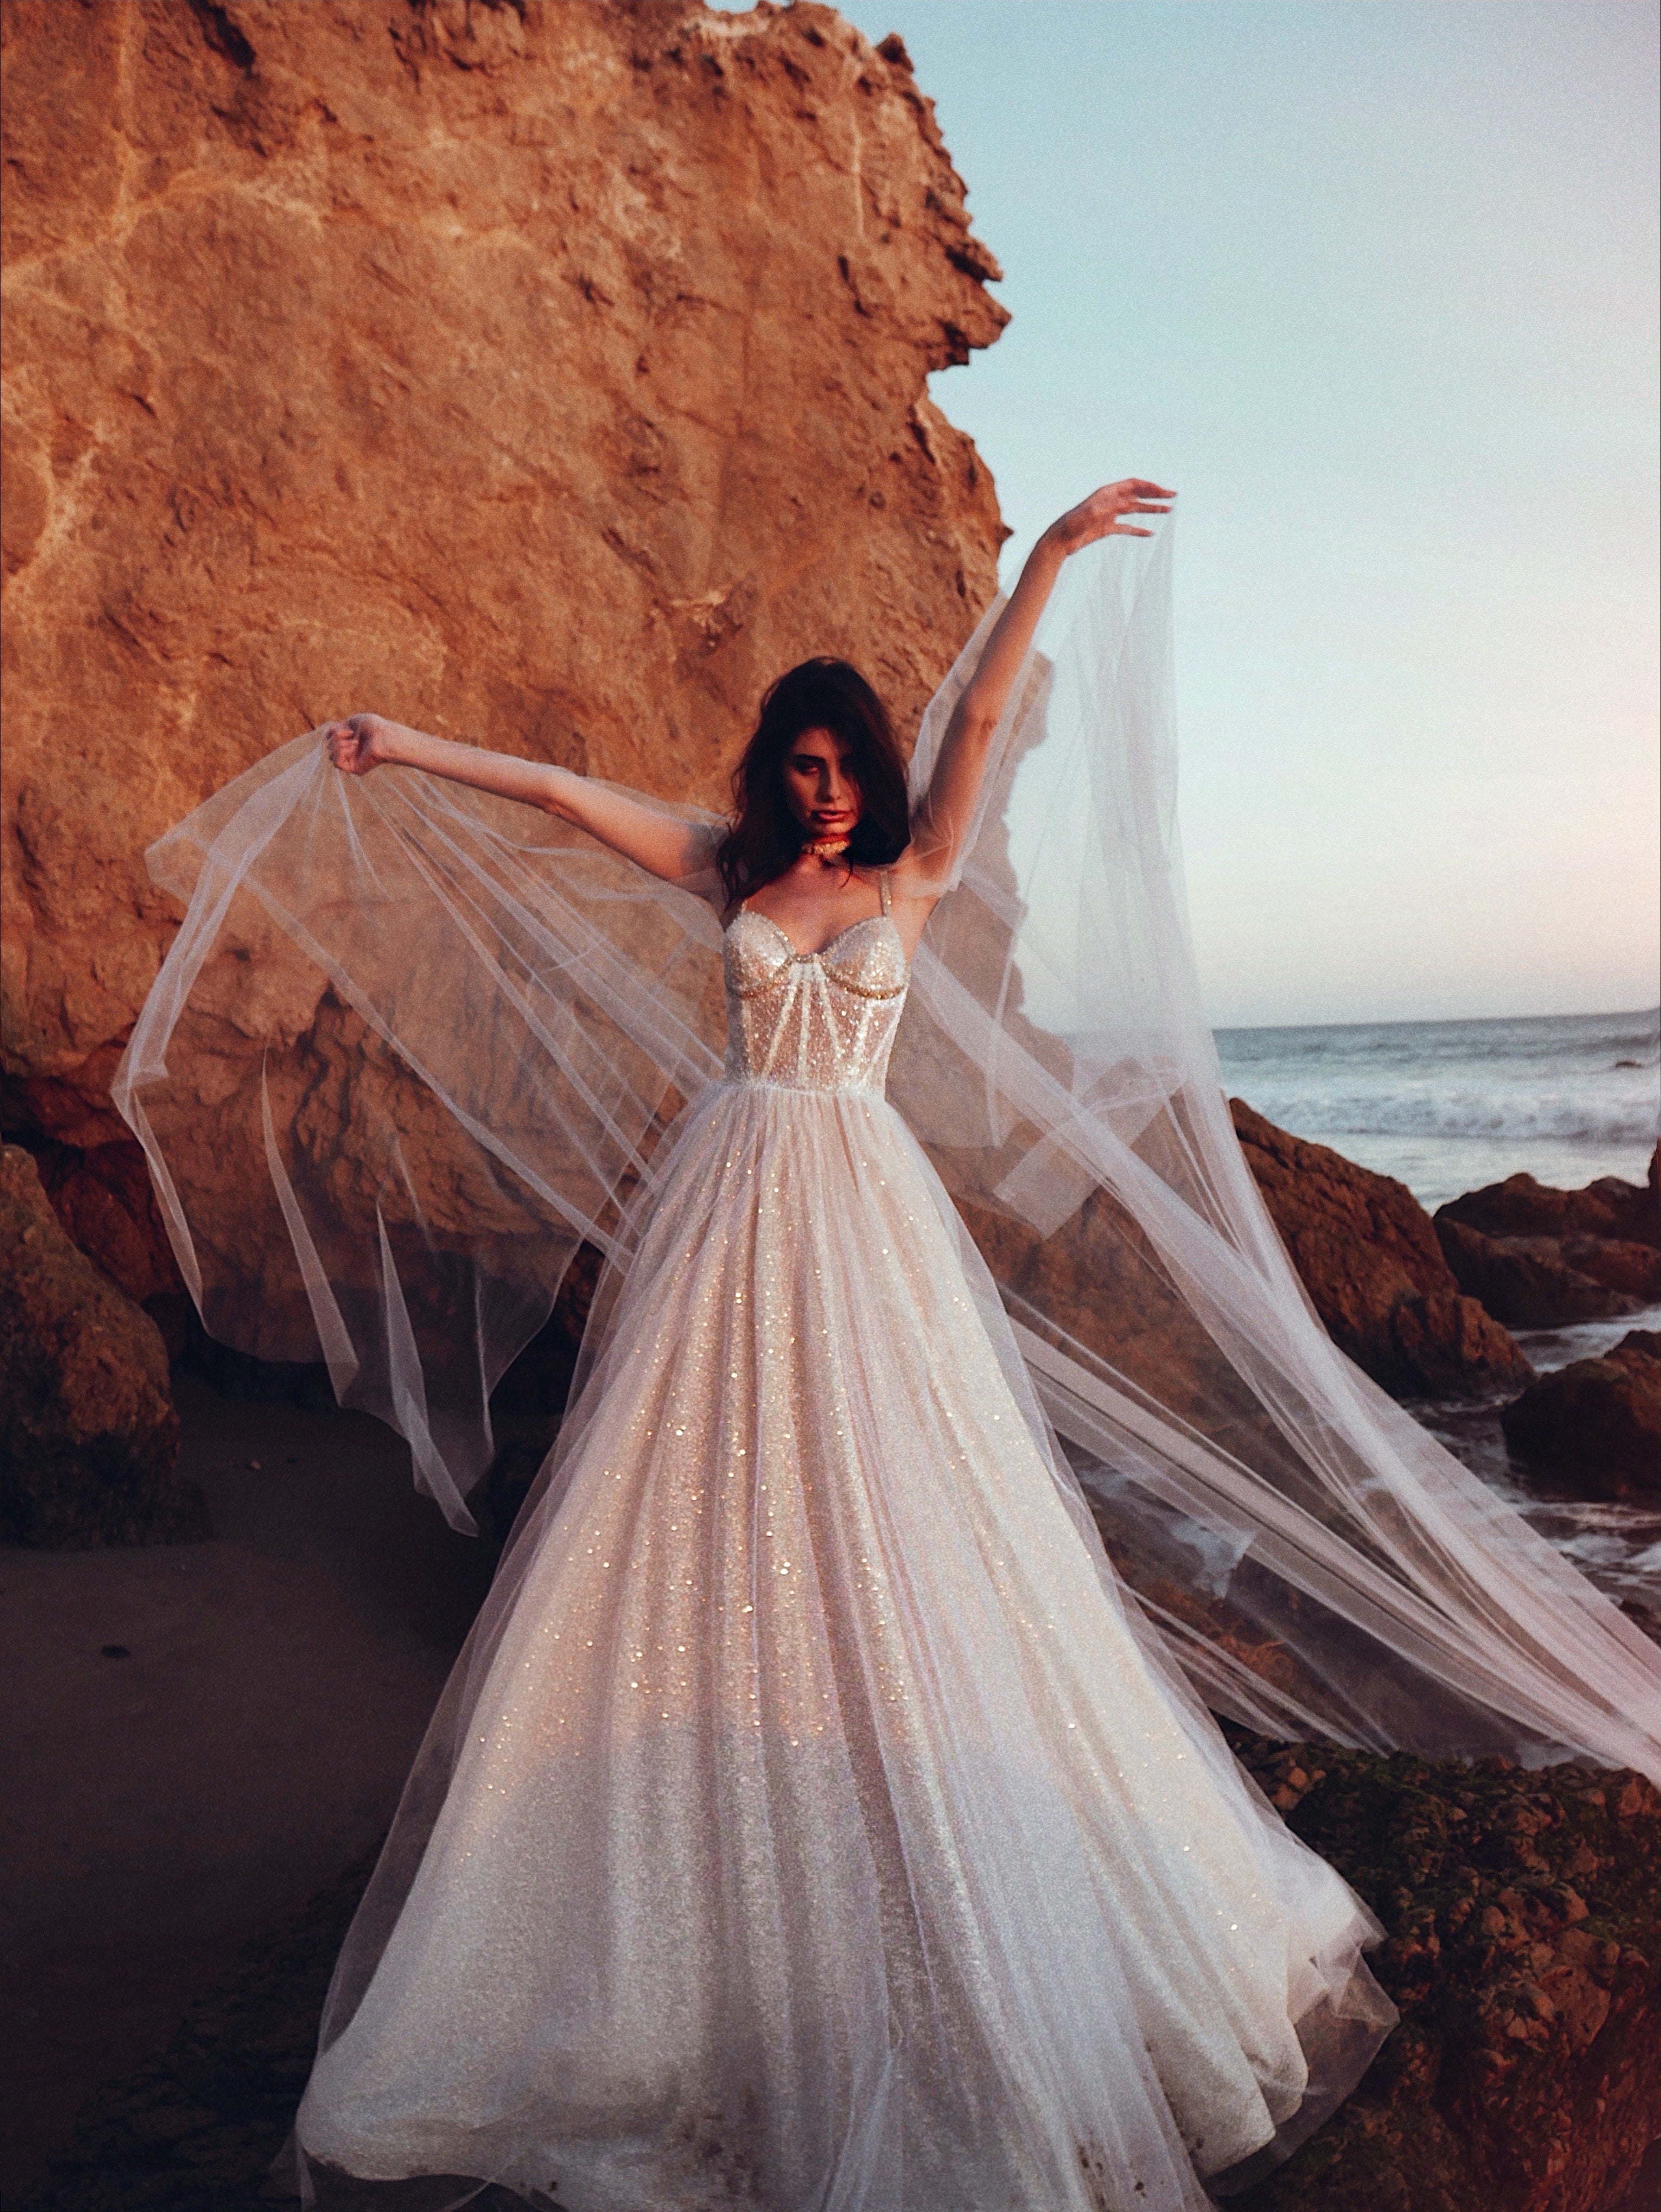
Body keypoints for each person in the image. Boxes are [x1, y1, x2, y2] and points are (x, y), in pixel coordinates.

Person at [112, 481, 1659, 2211]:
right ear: (776, 773)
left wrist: (1049, 562)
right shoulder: (725, 875)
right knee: (688, 1496)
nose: (827, 787)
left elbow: (980, 710)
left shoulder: (914, 879)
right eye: (804, 764)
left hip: (863, 1212)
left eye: (846, 764)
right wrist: (403, 746)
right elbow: (554, 797)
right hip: (738, 1194)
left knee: (910, 1492)